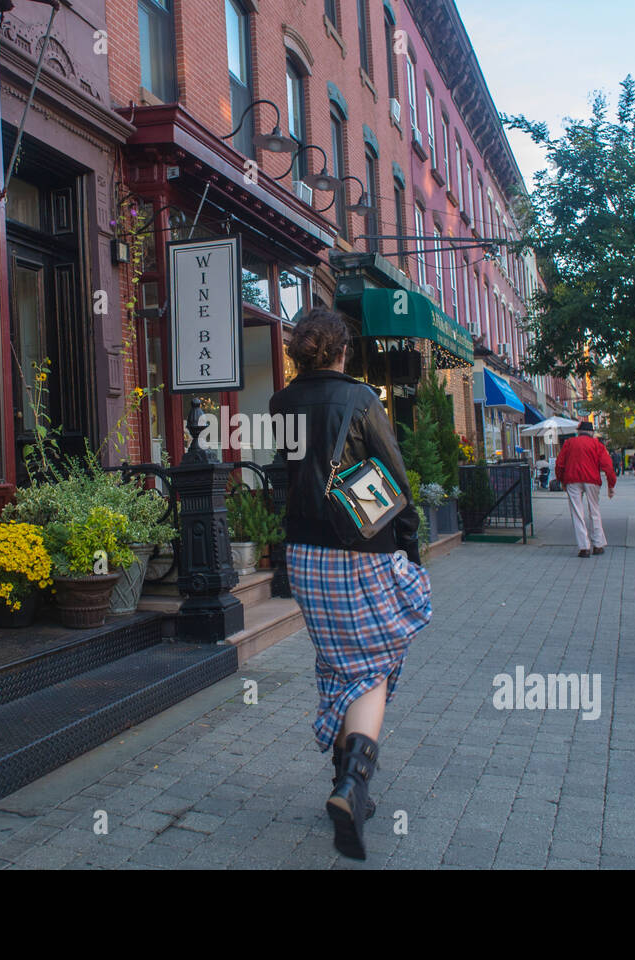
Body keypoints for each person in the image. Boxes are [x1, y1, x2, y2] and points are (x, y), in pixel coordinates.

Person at [268, 307, 431, 861]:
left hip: (306, 556)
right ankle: (353, 785)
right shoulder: (361, 398)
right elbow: (395, 473)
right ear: (341, 351)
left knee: (339, 661)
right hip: (361, 548)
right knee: (372, 664)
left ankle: (344, 779)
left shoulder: (281, 402)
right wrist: (408, 541)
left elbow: (282, 474)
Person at [555, 421, 616, 557]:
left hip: (572, 479)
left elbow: (560, 464)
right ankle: (598, 545)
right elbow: (608, 466)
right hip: (592, 480)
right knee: (594, 511)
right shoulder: (597, 445)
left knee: (577, 512)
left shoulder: (569, 443)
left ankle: (584, 547)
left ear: (579, 431)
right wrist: (611, 485)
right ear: (591, 432)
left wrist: (561, 480)